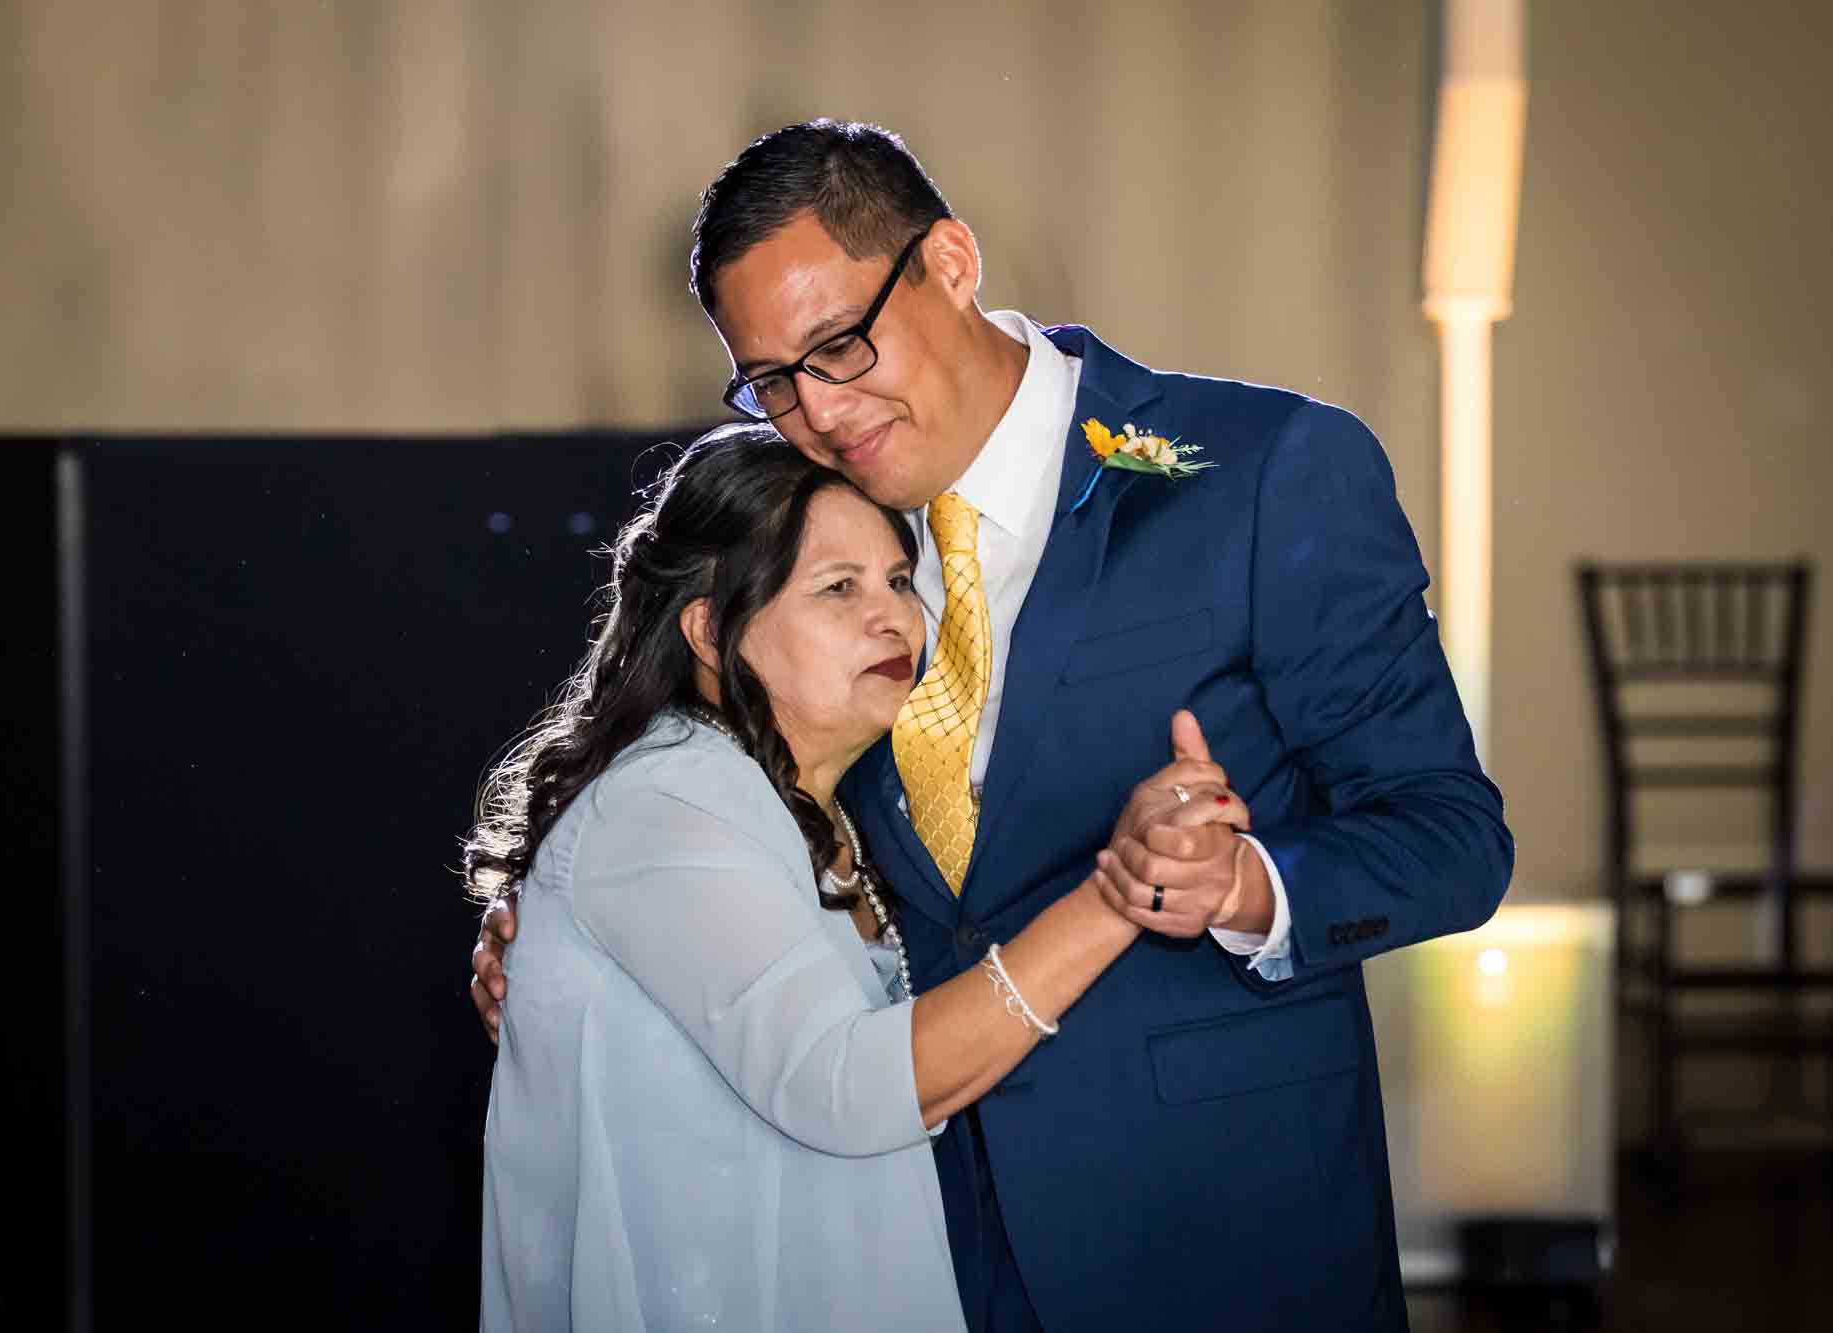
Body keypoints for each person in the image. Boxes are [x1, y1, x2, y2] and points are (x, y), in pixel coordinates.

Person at [473, 120, 1514, 1332]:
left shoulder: (1261, 470)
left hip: (1220, 1237)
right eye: (770, 380)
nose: (816, 408)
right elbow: (740, 824)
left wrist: (1243, 883)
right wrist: (576, 950)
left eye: (839, 346)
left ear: (952, 264)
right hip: (915, 1242)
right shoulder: (813, 532)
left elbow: (1450, 840)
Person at [469, 426, 1245, 1331]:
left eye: (897, 580)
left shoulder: (834, 803)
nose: (896, 618)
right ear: (711, 630)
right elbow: (846, 1084)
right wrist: (1123, 890)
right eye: (838, 588)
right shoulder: (666, 801)